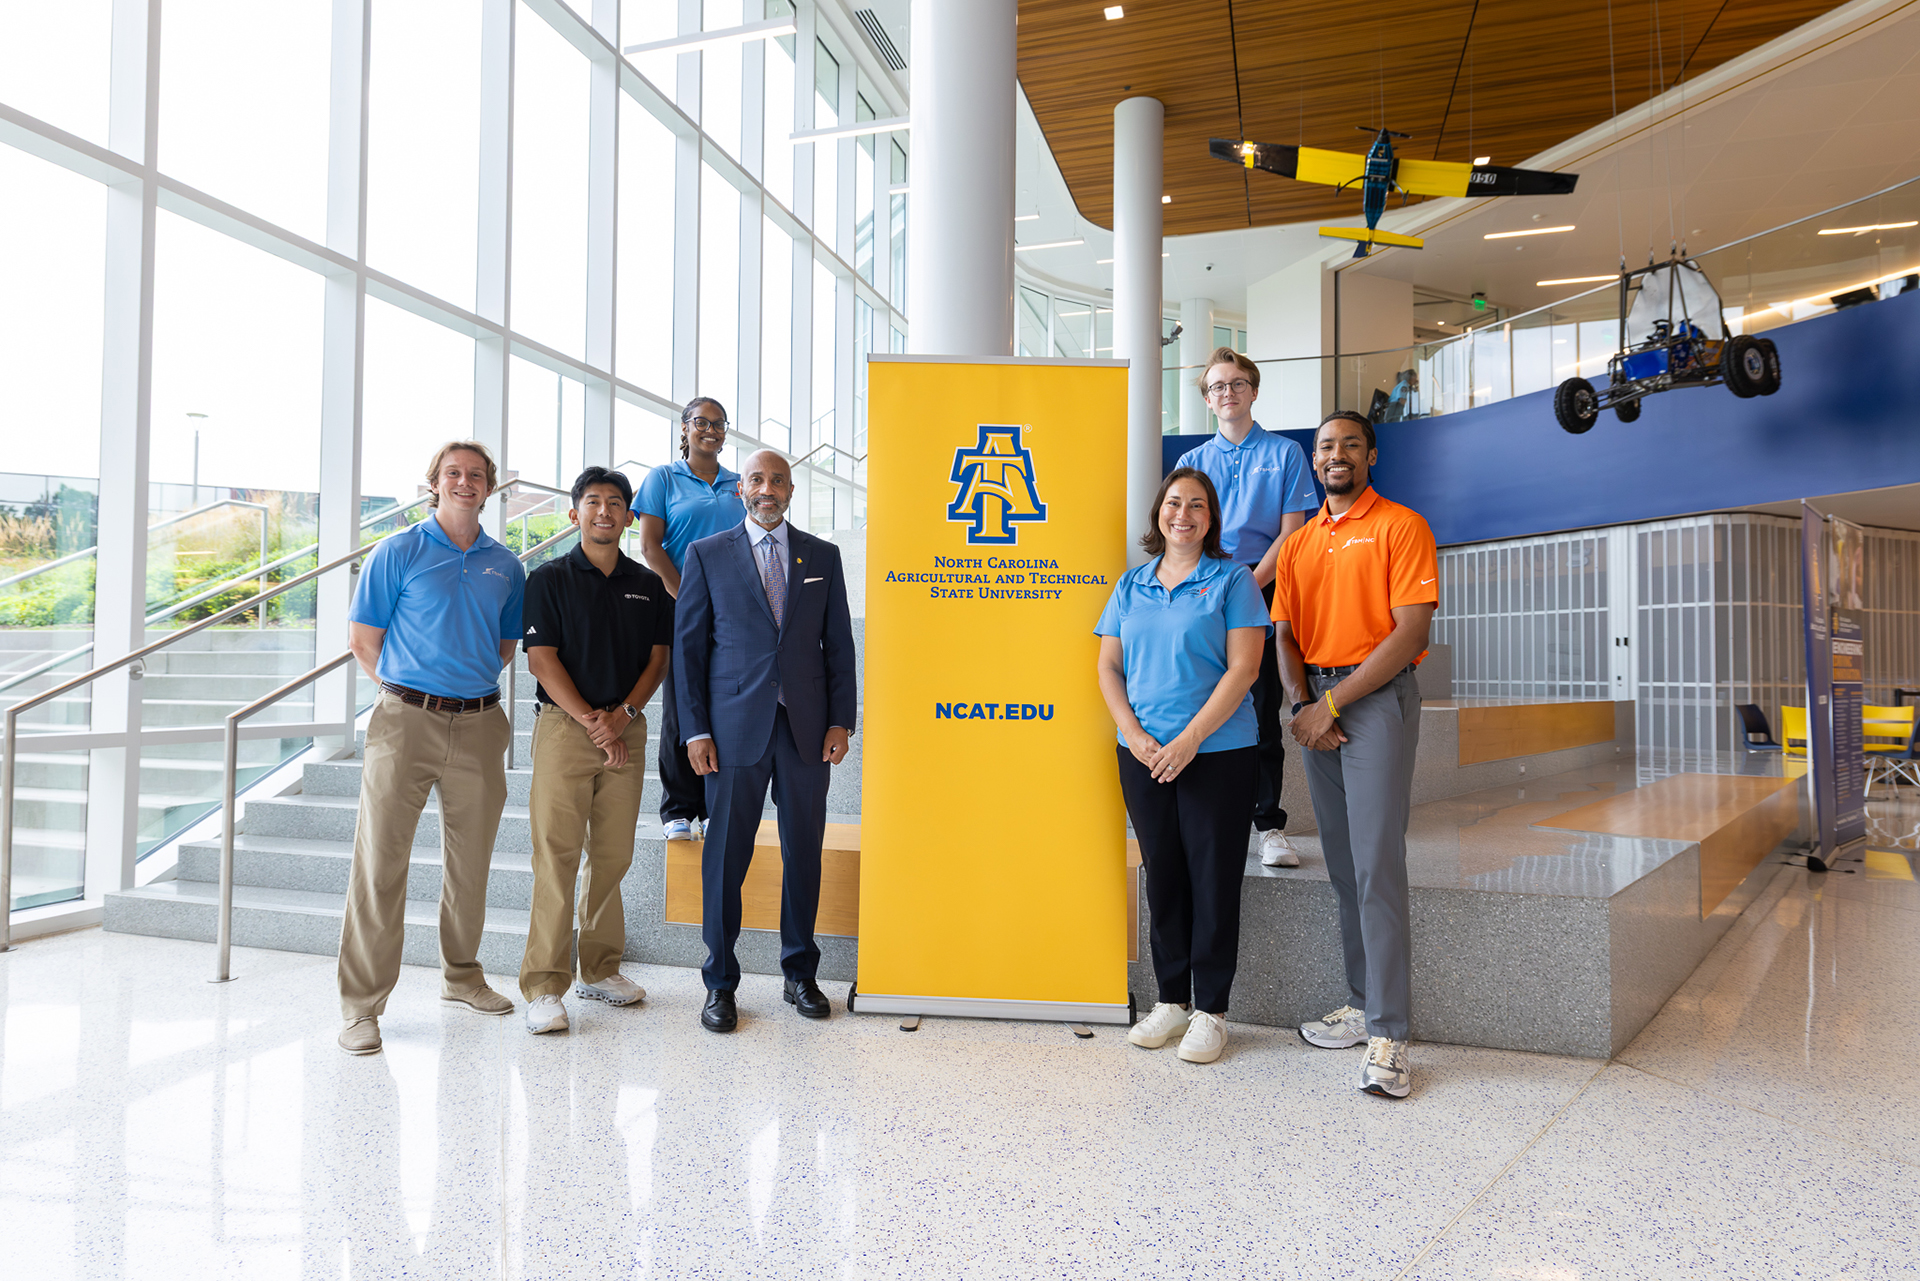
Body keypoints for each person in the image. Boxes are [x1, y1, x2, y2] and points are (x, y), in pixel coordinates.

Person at [337, 441, 525, 1055]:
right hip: (404, 724)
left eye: (476, 475)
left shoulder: (507, 565)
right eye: (453, 473)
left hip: (479, 724)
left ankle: (462, 978)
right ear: (435, 483)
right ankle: (361, 1007)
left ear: (489, 487)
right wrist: (412, 697)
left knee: (470, 866)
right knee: (379, 866)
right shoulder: (398, 551)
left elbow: (502, 648)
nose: (464, 482)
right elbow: (365, 641)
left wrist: (458, 695)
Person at [1273, 410, 1438, 1099]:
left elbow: (1409, 632)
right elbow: (1283, 631)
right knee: (1343, 866)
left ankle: (1391, 1035)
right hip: (1317, 705)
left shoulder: (1402, 525)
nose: (1335, 455)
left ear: (1370, 454)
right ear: (1315, 463)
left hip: (1372, 702)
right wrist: (1301, 706)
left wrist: (1333, 707)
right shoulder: (1301, 543)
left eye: (1348, 444)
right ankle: (1362, 1001)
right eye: (1324, 447)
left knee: (1376, 864)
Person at [674, 449, 857, 1033]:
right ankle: (720, 982)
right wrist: (695, 729)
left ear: (791, 490)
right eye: (757, 479)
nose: (767, 488)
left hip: (805, 731)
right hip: (731, 731)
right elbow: (690, 652)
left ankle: (799, 972)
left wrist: (841, 721)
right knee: (726, 856)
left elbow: (839, 648)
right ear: (740, 490)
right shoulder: (706, 554)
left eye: (778, 480)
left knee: (804, 851)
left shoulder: (822, 556)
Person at [1097, 468, 1268, 1065]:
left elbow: (1243, 669)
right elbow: (1108, 668)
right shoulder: (1132, 585)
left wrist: (1190, 740)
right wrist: (1134, 735)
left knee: (1213, 879)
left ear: (1211, 518)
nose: (1184, 515)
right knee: (1164, 875)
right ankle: (1170, 999)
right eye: (1174, 503)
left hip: (1217, 754)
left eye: (1197, 505)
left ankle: (1211, 1011)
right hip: (1143, 755)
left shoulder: (1234, 580)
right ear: (1158, 513)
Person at [517, 467, 674, 1035]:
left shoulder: (648, 584)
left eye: (615, 503)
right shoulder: (549, 578)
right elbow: (541, 659)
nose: (603, 511)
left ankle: (599, 969)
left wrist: (623, 717)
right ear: (574, 513)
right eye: (592, 502)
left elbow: (658, 659)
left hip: (625, 729)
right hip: (565, 730)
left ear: (630, 517)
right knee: (555, 858)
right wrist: (592, 721)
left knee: (612, 855)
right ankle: (543, 986)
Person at [1175, 348, 1319, 869]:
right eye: (1217, 386)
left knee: (1259, 709)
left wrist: (1244, 583)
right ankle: (1200, 812)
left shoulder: (1285, 454)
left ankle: (1269, 825)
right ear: (1208, 400)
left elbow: (1293, 533)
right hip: (1203, 587)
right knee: (1197, 696)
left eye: (1237, 383)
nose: (1228, 392)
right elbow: (1185, 530)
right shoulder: (1191, 463)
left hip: (1260, 584)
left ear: (1253, 391)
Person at [635, 399, 745, 842]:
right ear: (685, 427)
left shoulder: (740, 484)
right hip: (680, 606)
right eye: (702, 422)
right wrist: (689, 599)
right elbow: (650, 547)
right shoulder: (662, 478)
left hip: (735, 613)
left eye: (719, 424)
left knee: (726, 704)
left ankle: (715, 804)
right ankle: (678, 808)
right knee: (683, 705)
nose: (711, 430)